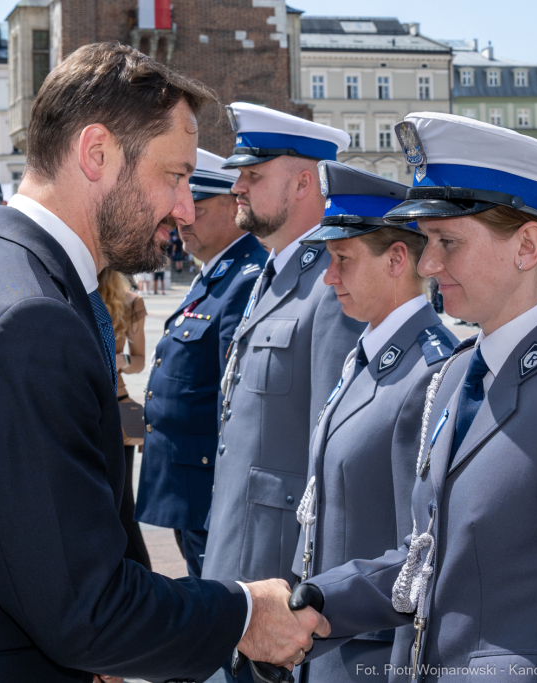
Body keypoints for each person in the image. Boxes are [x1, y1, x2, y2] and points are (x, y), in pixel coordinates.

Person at [0, 43, 328, 683]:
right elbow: (82, 611)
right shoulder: (28, 317)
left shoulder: (6, 270)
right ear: (97, 153)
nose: (187, 206)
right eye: (175, 176)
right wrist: (244, 613)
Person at [300, 111, 537, 682]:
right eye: (427, 243)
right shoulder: (454, 377)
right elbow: (428, 561)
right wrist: (314, 603)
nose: (428, 265)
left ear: (527, 246)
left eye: (447, 241)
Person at [201, 102, 362, 681]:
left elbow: (334, 461)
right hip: (236, 561)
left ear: (302, 183)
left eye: (253, 174)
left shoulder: (331, 286)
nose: (236, 185)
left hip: (278, 578)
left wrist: (309, 593)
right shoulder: (272, 273)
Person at [289, 161, 458, 683]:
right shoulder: (368, 352)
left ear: (397, 259)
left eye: (342, 258)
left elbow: (422, 555)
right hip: (322, 646)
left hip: (369, 658)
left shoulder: (431, 370)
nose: (328, 275)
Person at [136, 148, 268, 578]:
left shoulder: (247, 277)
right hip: (190, 490)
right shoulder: (218, 272)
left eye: (197, 206)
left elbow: (238, 402)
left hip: (212, 491)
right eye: (180, 207)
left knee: (223, 614)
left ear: (234, 206)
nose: (182, 218)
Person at [98, 267, 151, 570]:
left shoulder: (131, 301)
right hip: (80, 405)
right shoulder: (69, 290)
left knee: (121, 502)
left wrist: (118, 359)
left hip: (118, 407)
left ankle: (140, 575)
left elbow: (140, 360)